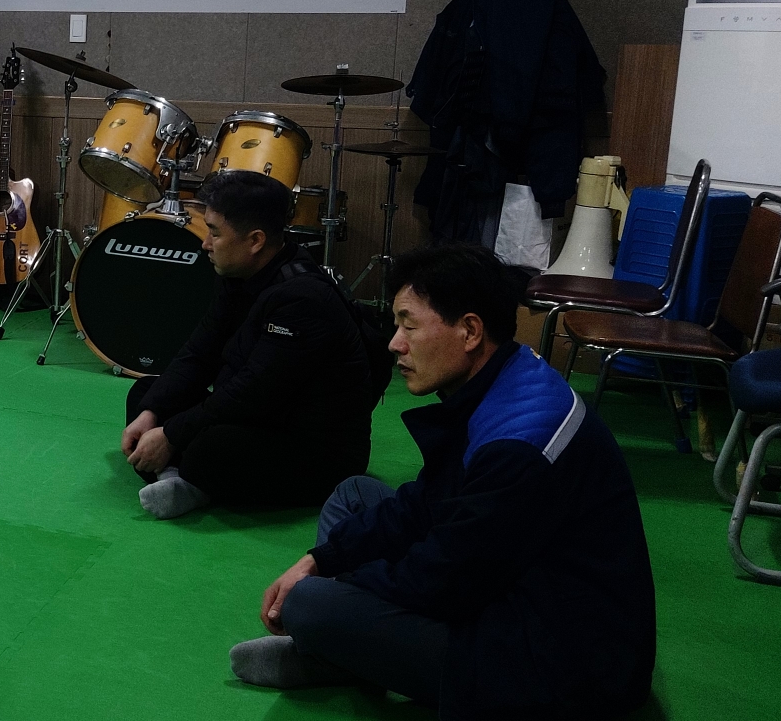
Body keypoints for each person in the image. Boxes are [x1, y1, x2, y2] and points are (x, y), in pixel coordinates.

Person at [231, 244, 656, 719]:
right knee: (354, 495)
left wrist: (338, 587)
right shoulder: (505, 376)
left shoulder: (519, 445)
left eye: (409, 326)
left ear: (470, 331)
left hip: (557, 667)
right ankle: (352, 650)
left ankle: (344, 652)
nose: (395, 343)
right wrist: (320, 559)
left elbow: (443, 581)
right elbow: (428, 502)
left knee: (309, 604)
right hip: (513, 587)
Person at [120, 169, 378, 519]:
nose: (205, 244)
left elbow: (252, 393)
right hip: (262, 419)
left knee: (208, 449)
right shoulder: (239, 274)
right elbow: (199, 354)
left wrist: (173, 434)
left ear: (255, 241)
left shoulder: (302, 299)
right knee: (147, 395)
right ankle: (183, 480)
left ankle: (186, 477)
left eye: (214, 233)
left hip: (316, 449)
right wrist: (153, 414)